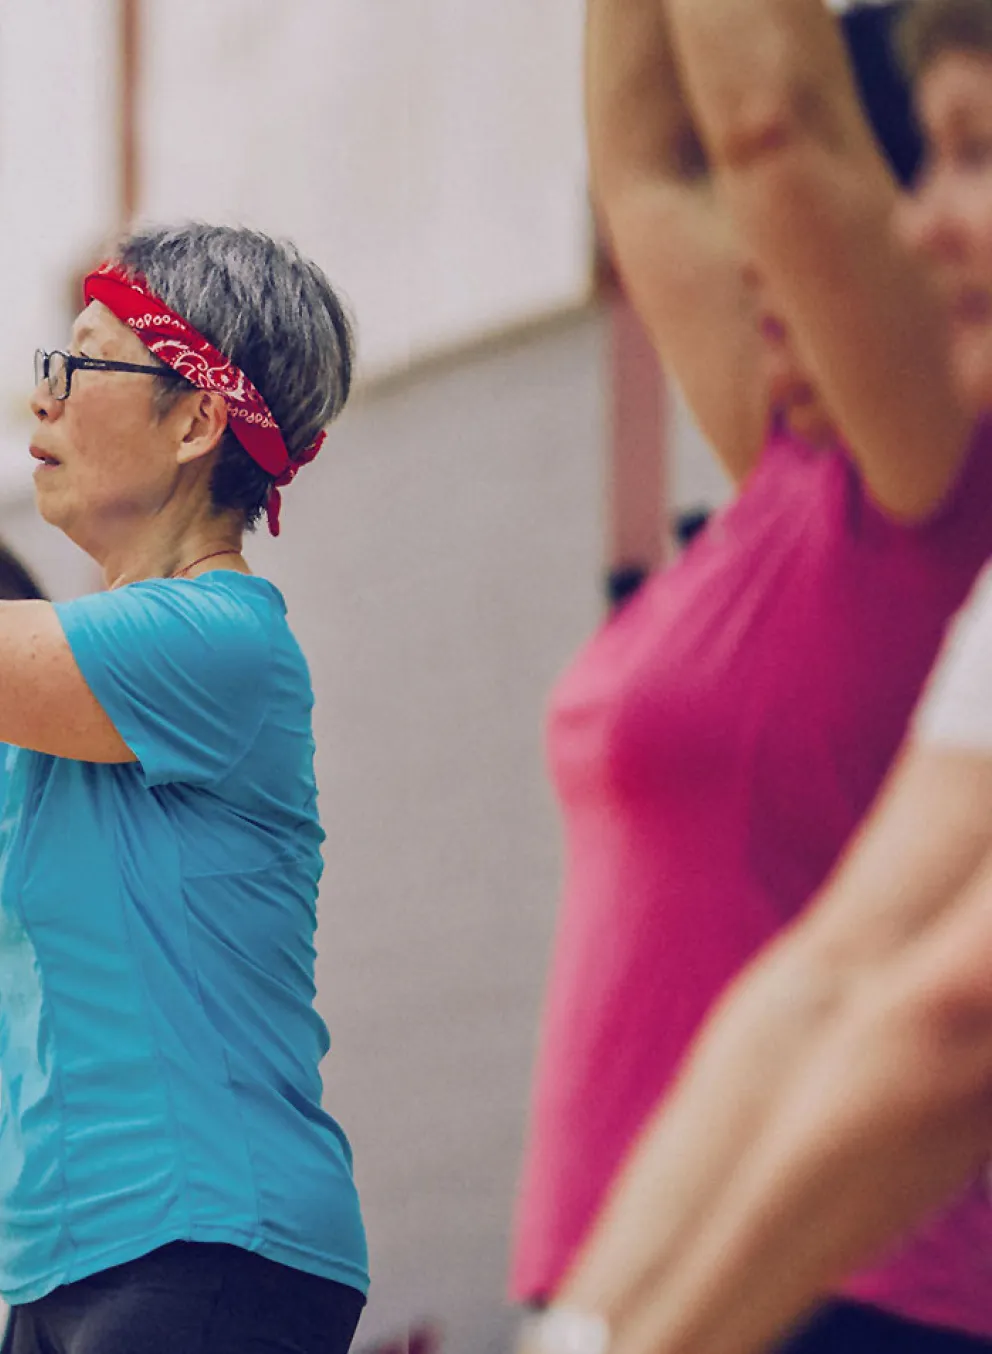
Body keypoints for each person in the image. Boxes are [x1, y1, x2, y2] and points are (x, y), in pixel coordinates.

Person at [511, 1, 992, 1350]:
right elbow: (647, 166)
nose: (752, 249)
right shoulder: (789, 482)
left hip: (850, 1279)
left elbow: (768, 130)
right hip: (658, 1249)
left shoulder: (928, 482)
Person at [0, 223, 368, 1354]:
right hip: (73, 1257)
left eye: (81, 363)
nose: (39, 403)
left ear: (198, 419)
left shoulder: (220, 639)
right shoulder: (67, 693)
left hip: (204, 1246)